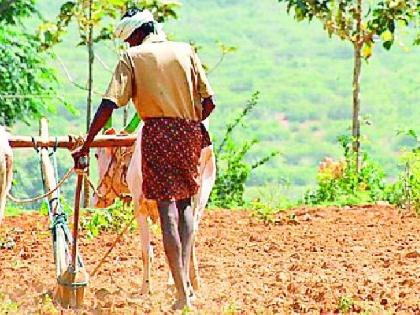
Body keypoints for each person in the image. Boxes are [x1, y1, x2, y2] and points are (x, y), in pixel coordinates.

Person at [72, 8, 216, 309]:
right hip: (191, 131)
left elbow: (109, 104)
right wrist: (188, 124)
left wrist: (87, 143)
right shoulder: (186, 50)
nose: (128, 45)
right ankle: (185, 284)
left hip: (157, 134)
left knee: (166, 211)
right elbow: (210, 102)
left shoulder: (133, 58)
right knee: (186, 205)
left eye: (129, 40)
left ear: (137, 34)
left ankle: (179, 292)